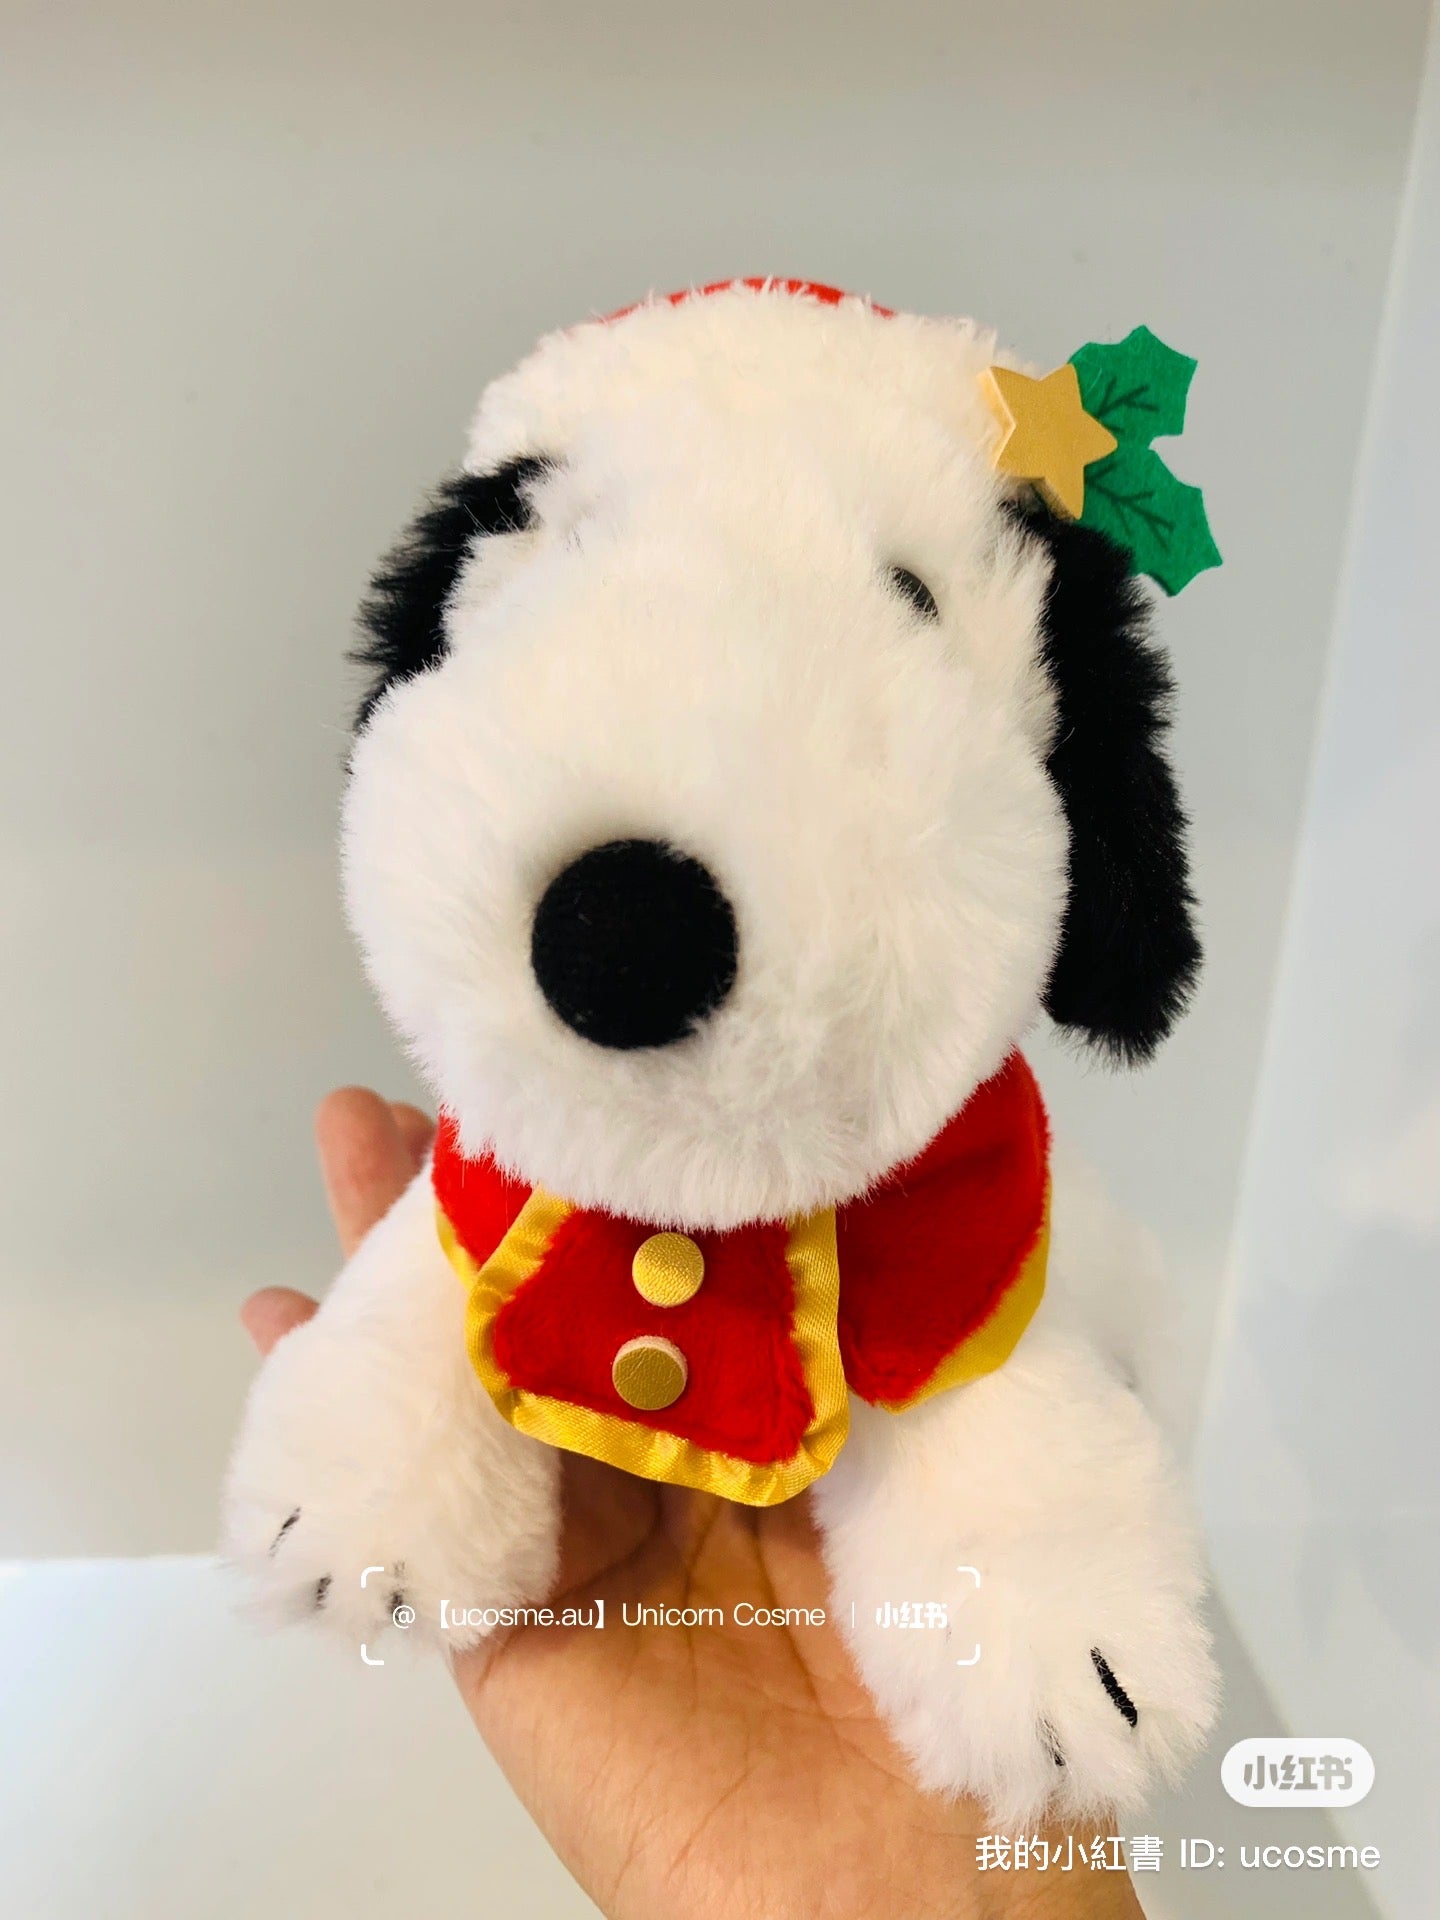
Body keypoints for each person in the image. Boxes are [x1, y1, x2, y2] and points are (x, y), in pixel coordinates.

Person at [241, 1088, 1144, 1920]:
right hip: (537, 1158)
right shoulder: (500, 1145)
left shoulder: (967, 1171)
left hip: (915, 1220)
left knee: (976, 1362)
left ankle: (1019, 1632)